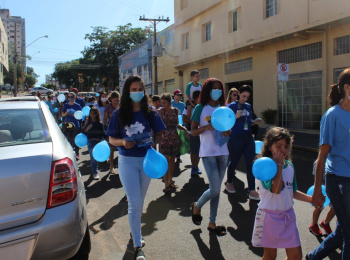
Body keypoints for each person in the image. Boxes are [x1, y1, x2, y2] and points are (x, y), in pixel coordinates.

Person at [106, 75, 165, 260]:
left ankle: (135, 233)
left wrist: (154, 140)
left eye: (140, 89)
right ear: (127, 92)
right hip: (127, 161)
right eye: (134, 89)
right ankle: (138, 246)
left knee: (140, 203)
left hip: (147, 162)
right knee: (134, 203)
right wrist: (124, 141)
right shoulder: (119, 113)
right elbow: (111, 140)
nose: (137, 92)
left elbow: (161, 133)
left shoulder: (151, 111)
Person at [307, 68, 350, 260]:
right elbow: (322, 156)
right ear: (347, 88)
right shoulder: (332, 115)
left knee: (343, 232)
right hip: (339, 181)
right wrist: (318, 190)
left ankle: (311, 258)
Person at [251, 127, 312, 260]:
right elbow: (276, 189)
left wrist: (311, 199)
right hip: (269, 217)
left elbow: (293, 191)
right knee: (270, 256)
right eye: (278, 146)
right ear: (269, 147)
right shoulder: (265, 167)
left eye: (286, 146)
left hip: (287, 217)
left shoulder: (289, 166)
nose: (282, 149)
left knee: (296, 256)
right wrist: (278, 165)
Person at [190, 78, 231, 236]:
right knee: (214, 188)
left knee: (217, 190)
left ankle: (212, 222)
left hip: (223, 152)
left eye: (219, 88)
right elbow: (193, 131)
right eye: (214, 88)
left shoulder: (223, 108)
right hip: (208, 153)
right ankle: (197, 205)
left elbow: (228, 130)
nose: (217, 91)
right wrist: (205, 127)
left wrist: (228, 132)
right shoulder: (201, 108)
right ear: (207, 90)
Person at [225, 85, 261, 199]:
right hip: (235, 137)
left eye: (247, 97)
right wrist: (234, 117)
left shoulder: (248, 106)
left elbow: (248, 122)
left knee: (251, 163)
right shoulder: (231, 106)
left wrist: (255, 122)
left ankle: (251, 190)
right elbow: (226, 124)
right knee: (234, 161)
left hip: (248, 137)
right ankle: (229, 182)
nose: (245, 99)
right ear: (239, 93)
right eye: (243, 96)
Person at [158, 93, 188, 194]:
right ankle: (166, 184)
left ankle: (170, 181)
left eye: (164, 103)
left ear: (169, 102)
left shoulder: (175, 110)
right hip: (164, 139)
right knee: (165, 162)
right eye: (161, 103)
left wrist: (184, 129)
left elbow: (176, 124)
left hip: (174, 138)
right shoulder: (159, 112)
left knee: (172, 162)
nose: (162, 105)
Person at [308, 160, 336, 236]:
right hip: (323, 186)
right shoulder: (319, 161)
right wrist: (318, 190)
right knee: (320, 206)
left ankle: (325, 223)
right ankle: (313, 225)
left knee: (335, 207)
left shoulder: (336, 158)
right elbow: (316, 178)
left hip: (334, 185)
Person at [182, 90, 202, 176]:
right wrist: (195, 122)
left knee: (199, 151)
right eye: (199, 98)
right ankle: (193, 167)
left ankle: (196, 166)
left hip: (201, 132)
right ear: (194, 98)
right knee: (194, 151)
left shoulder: (202, 107)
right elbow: (184, 119)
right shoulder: (188, 107)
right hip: (192, 132)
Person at [82, 107, 105, 180]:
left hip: (98, 142)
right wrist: (87, 129)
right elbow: (83, 133)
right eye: (91, 113)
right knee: (92, 157)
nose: (93, 114)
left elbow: (103, 134)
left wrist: (107, 139)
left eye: (94, 113)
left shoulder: (99, 123)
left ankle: (95, 169)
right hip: (90, 142)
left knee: (96, 157)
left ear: (97, 114)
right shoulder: (88, 122)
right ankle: (95, 172)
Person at [61, 92, 82, 160]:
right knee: (68, 139)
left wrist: (73, 114)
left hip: (75, 124)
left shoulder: (77, 106)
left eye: (72, 97)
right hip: (67, 124)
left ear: (75, 97)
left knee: (75, 140)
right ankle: (69, 153)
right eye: (69, 97)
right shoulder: (66, 105)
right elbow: (62, 115)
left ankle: (77, 153)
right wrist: (67, 113)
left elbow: (80, 116)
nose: (70, 98)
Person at [104, 91, 120, 175]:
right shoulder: (108, 107)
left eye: (118, 100)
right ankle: (111, 166)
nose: (117, 102)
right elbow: (105, 120)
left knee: (122, 149)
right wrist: (109, 128)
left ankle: (121, 167)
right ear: (111, 100)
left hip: (120, 130)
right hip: (112, 131)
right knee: (112, 149)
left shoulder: (121, 106)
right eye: (115, 100)